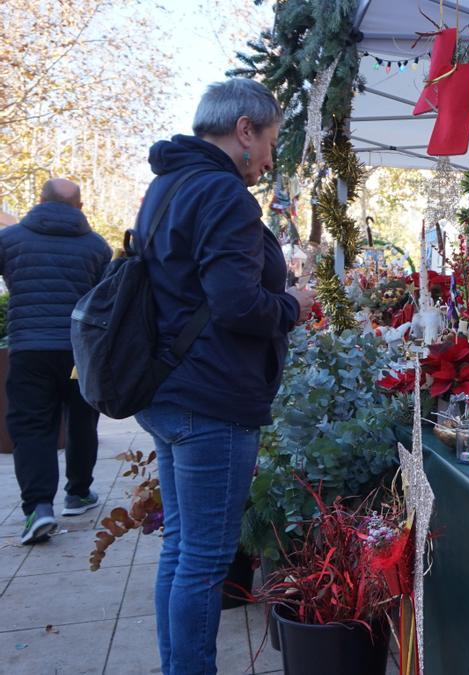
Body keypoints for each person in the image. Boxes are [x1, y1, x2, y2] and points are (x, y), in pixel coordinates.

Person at [133, 78, 315, 675]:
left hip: (170, 390)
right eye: (270, 139)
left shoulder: (169, 185)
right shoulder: (223, 194)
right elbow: (238, 305)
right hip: (211, 398)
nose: (269, 156)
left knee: (183, 551)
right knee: (206, 561)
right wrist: (293, 305)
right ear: (244, 129)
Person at [0, 179, 111, 544]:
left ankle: (38, 508)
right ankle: (78, 492)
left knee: (32, 427)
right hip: (79, 353)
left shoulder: (9, 240)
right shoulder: (97, 247)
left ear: (39, 201)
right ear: (79, 207)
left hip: (30, 350)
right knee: (82, 419)